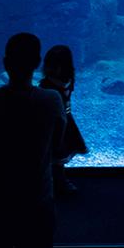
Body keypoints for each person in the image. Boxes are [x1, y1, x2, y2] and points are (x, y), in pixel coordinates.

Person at [0, 33, 66, 248]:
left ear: (5, 62)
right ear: (38, 63)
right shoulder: (51, 100)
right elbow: (58, 148)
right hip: (36, 202)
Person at [38, 45, 88, 196]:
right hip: (60, 120)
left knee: (56, 153)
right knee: (57, 154)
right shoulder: (60, 82)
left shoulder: (54, 83)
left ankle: (58, 182)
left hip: (59, 120)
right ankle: (59, 182)